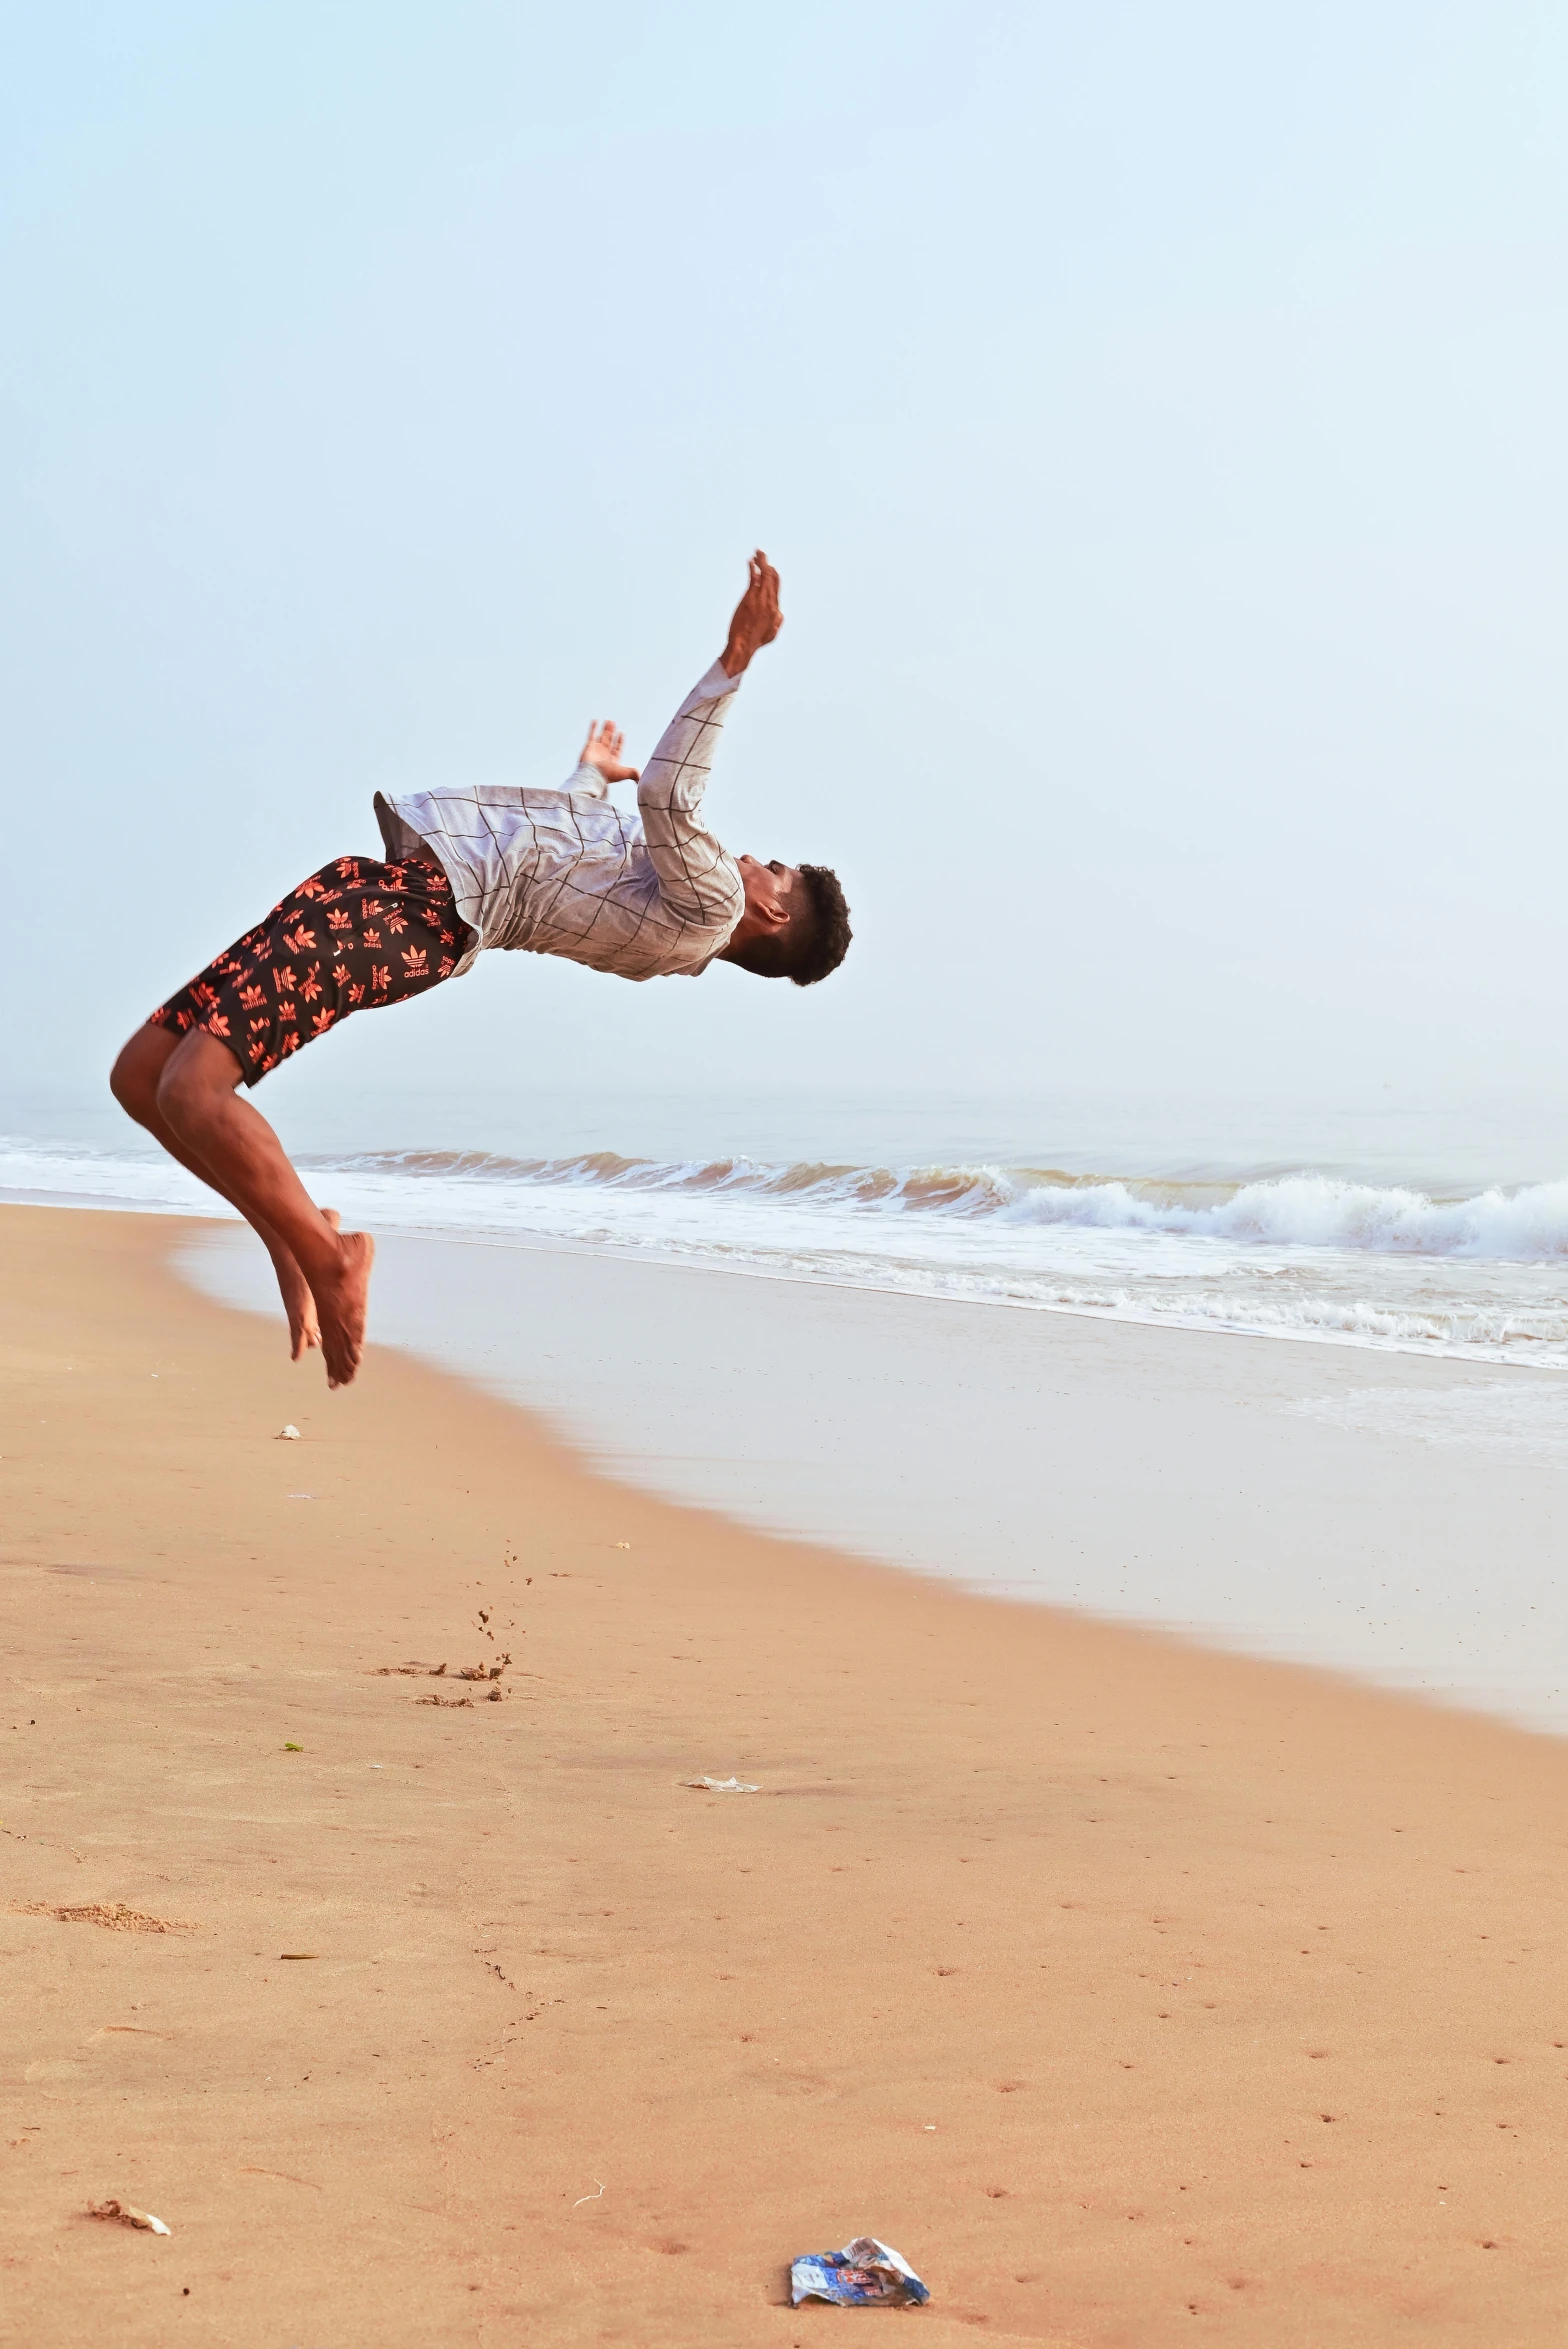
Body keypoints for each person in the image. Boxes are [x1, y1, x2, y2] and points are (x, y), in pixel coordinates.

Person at [109, 553, 851, 1389]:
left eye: (776, 869)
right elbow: (566, 854)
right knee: (141, 1075)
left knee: (190, 1090)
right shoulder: (681, 904)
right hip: (401, 888)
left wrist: (735, 660)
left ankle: (330, 1257)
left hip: (425, 913)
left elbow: (669, 799)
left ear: (775, 915)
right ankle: (296, 1235)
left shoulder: (714, 904)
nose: (755, 857)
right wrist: (588, 776)